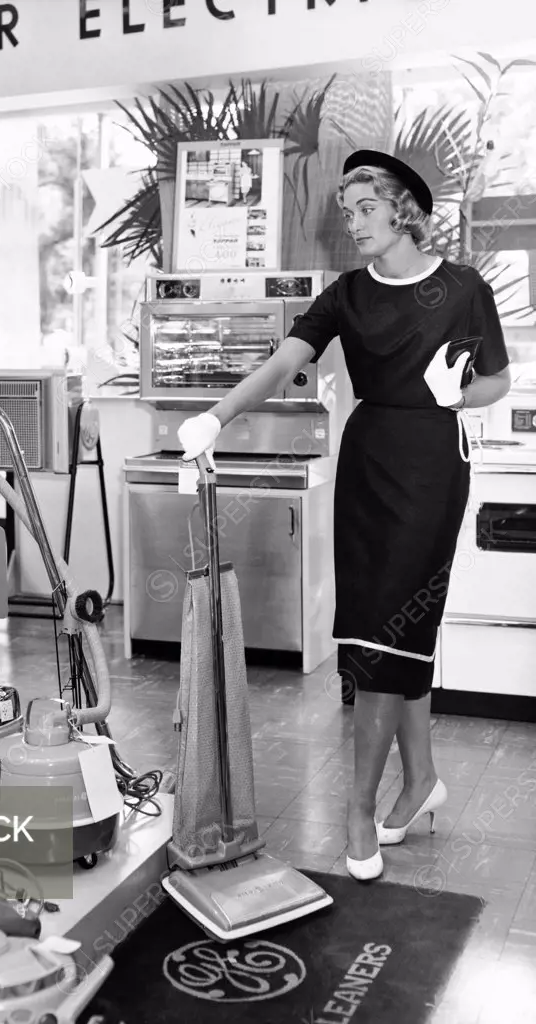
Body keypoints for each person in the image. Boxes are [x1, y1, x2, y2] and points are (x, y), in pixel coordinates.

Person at [177, 150, 512, 881]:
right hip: (365, 463)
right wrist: (217, 413)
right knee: (389, 633)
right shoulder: (347, 294)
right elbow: (280, 362)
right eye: (346, 212)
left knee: (388, 641)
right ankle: (421, 781)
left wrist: (456, 394)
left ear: (404, 210)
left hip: (431, 465)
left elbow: (498, 381)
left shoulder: (463, 288)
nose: (353, 223)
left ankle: (358, 809)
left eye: (364, 208)